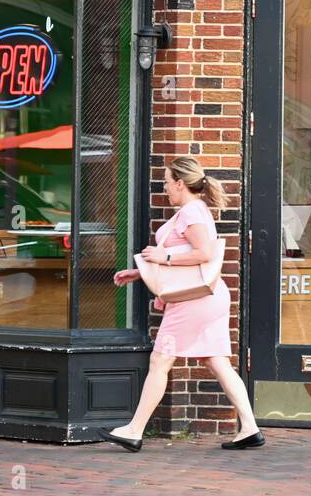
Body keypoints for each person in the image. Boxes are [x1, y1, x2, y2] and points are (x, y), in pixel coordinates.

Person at [99, 157, 264, 452]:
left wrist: (164, 258)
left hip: (194, 300)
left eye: (166, 181)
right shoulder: (192, 211)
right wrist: (140, 273)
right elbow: (186, 257)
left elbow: (203, 252)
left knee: (160, 360)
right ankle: (250, 428)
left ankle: (134, 430)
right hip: (206, 296)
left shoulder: (192, 212)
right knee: (217, 361)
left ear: (179, 183)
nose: (164, 188)